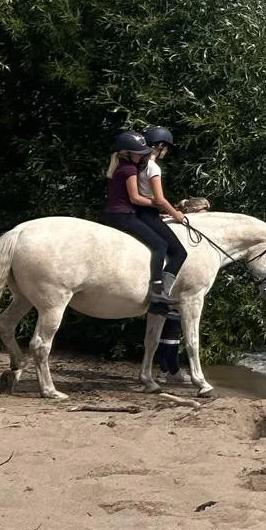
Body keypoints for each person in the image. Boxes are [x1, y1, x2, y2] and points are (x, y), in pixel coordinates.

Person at [99, 130, 185, 328]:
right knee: (160, 246)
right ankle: (156, 290)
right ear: (126, 153)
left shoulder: (118, 166)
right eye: (138, 153)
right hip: (124, 215)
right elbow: (135, 198)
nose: (141, 156)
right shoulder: (130, 169)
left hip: (115, 212)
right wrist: (161, 207)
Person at [139, 125, 193, 373]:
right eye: (166, 148)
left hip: (138, 212)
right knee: (179, 251)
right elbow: (159, 200)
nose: (166, 153)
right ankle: (164, 292)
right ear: (159, 147)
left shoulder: (137, 164)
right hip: (149, 215)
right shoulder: (153, 167)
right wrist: (177, 215)